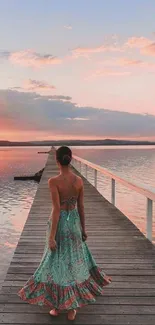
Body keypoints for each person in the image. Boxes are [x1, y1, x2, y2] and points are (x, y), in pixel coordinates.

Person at [18, 146, 112, 320]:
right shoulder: (79, 181)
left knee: (56, 262)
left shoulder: (53, 181)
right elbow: (81, 207)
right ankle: (72, 308)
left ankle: (56, 306)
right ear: (70, 159)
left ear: (57, 160)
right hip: (74, 222)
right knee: (73, 262)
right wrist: (83, 229)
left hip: (60, 225)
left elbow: (56, 210)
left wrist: (52, 236)